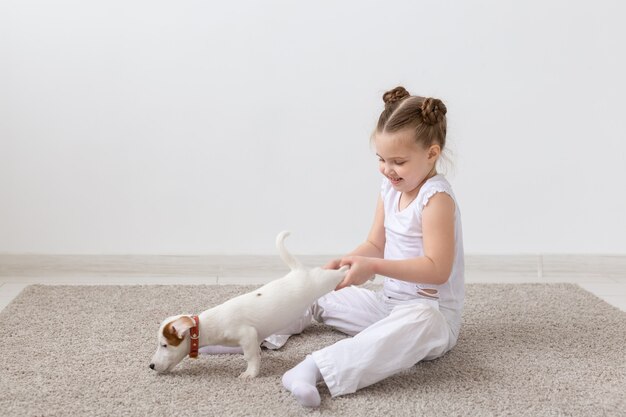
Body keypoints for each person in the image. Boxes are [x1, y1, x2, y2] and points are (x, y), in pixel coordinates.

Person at [275, 86, 465, 407]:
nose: (387, 169)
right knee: (319, 289)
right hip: (387, 304)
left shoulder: (436, 199)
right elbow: (376, 244)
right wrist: (348, 263)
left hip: (430, 315)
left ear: (431, 153)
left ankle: (313, 368)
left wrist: (374, 267)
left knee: (421, 323)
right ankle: (254, 331)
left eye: (398, 161)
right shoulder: (390, 188)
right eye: (381, 159)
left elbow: (437, 269)